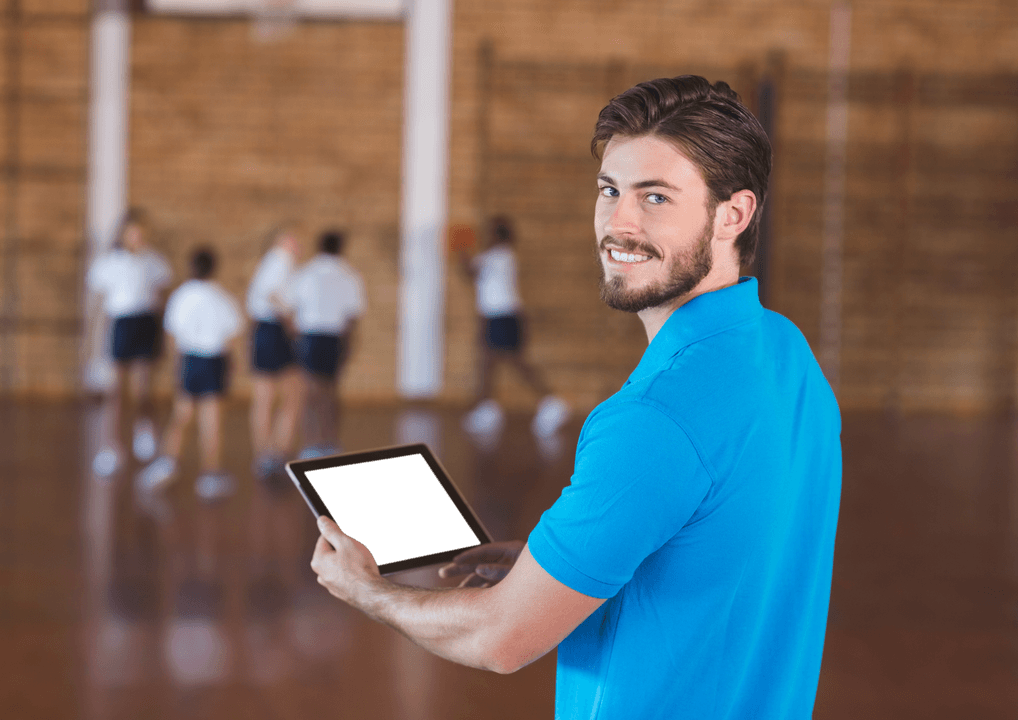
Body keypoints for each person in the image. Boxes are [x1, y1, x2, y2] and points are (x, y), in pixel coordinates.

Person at [308, 76, 842, 719]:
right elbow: (723, 541)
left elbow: (500, 637)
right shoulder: (786, 350)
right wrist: (555, 563)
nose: (619, 223)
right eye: (610, 190)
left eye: (656, 197)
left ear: (734, 214)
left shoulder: (651, 421)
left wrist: (368, 590)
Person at [138, 247, 243, 500]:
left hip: (190, 359)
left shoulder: (181, 296)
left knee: (182, 414)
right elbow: (232, 336)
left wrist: (177, 362)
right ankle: (210, 474)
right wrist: (232, 365)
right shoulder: (222, 298)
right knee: (212, 418)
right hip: (214, 359)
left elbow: (172, 334)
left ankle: (167, 463)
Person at [458, 216, 570, 438]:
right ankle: (488, 409)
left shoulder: (499, 256)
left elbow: (470, 271)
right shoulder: (497, 256)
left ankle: (552, 402)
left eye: (490, 231)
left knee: (514, 361)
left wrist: (461, 248)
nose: (486, 235)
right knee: (488, 362)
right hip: (495, 317)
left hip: (503, 317)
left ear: (497, 235)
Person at [87, 208, 173, 477]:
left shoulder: (154, 262)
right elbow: (100, 305)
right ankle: (111, 445)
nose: (138, 237)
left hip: (145, 323)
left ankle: (143, 431)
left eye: (141, 233)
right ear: (124, 234)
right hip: (121, 324)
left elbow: (160, 299)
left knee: (142, 387)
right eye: (133, 232)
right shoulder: (110, 263)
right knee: (115, 390)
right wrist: (92, 339)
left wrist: (163, 334)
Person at [277, 230, 365, 459]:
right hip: (335, 336)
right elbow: (352, 317)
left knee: (309, 391)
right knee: (332, 390)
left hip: (310, 336)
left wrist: (295, 335)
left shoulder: (305, 273)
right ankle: (330, 439)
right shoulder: (350, 276)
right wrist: (350, 343)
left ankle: (310, 442)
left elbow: (288, 309)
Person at [246, 225, 303, 478]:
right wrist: (290, 319)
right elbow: (271, 295)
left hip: (268, 331)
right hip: (273, 330)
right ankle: (270, 452)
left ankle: (272, 452)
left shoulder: (281, 264)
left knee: (278, 394)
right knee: (274, 394)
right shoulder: (279, 260)